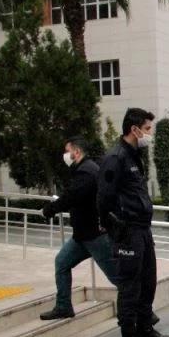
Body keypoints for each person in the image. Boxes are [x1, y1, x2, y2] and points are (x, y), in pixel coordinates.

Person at [98, 107, 169, 337]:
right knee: (130, 286)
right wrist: (113, 227)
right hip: (127, 230)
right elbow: (104, 197)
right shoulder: (116, 157)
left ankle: (145, 329)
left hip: (142, 228)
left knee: (148, 281)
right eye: (148, 129)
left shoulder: (134, 156)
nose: (149, 134)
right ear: (135, 129)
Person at [39, 137, 118, 320]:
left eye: (67, 151)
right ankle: (63, 306)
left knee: (118, 277)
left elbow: (71, 197)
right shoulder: (85, 170)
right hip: (82, 236)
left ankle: (143, 312)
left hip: (95, 236)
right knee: (61, 263)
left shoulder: (86, 172)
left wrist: (49, 210)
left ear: (77, 151)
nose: (65, 155)